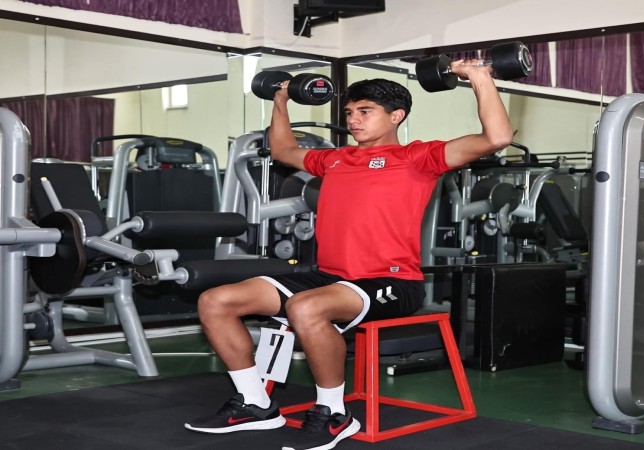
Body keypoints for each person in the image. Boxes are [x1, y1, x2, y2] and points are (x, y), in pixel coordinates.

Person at [184, 61, 513, 450]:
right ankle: (255, 404)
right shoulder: (336, 159)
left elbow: (497, 137)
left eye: (365, 112)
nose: (354, 120)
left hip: (392, 282)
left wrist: (479, 77)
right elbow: (283, 150)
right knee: (216, 301)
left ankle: (334, 413)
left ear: (396, 116)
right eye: (350, 112)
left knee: (306, 307)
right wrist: (281, 99)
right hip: (330, 277)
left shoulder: (419, 158)